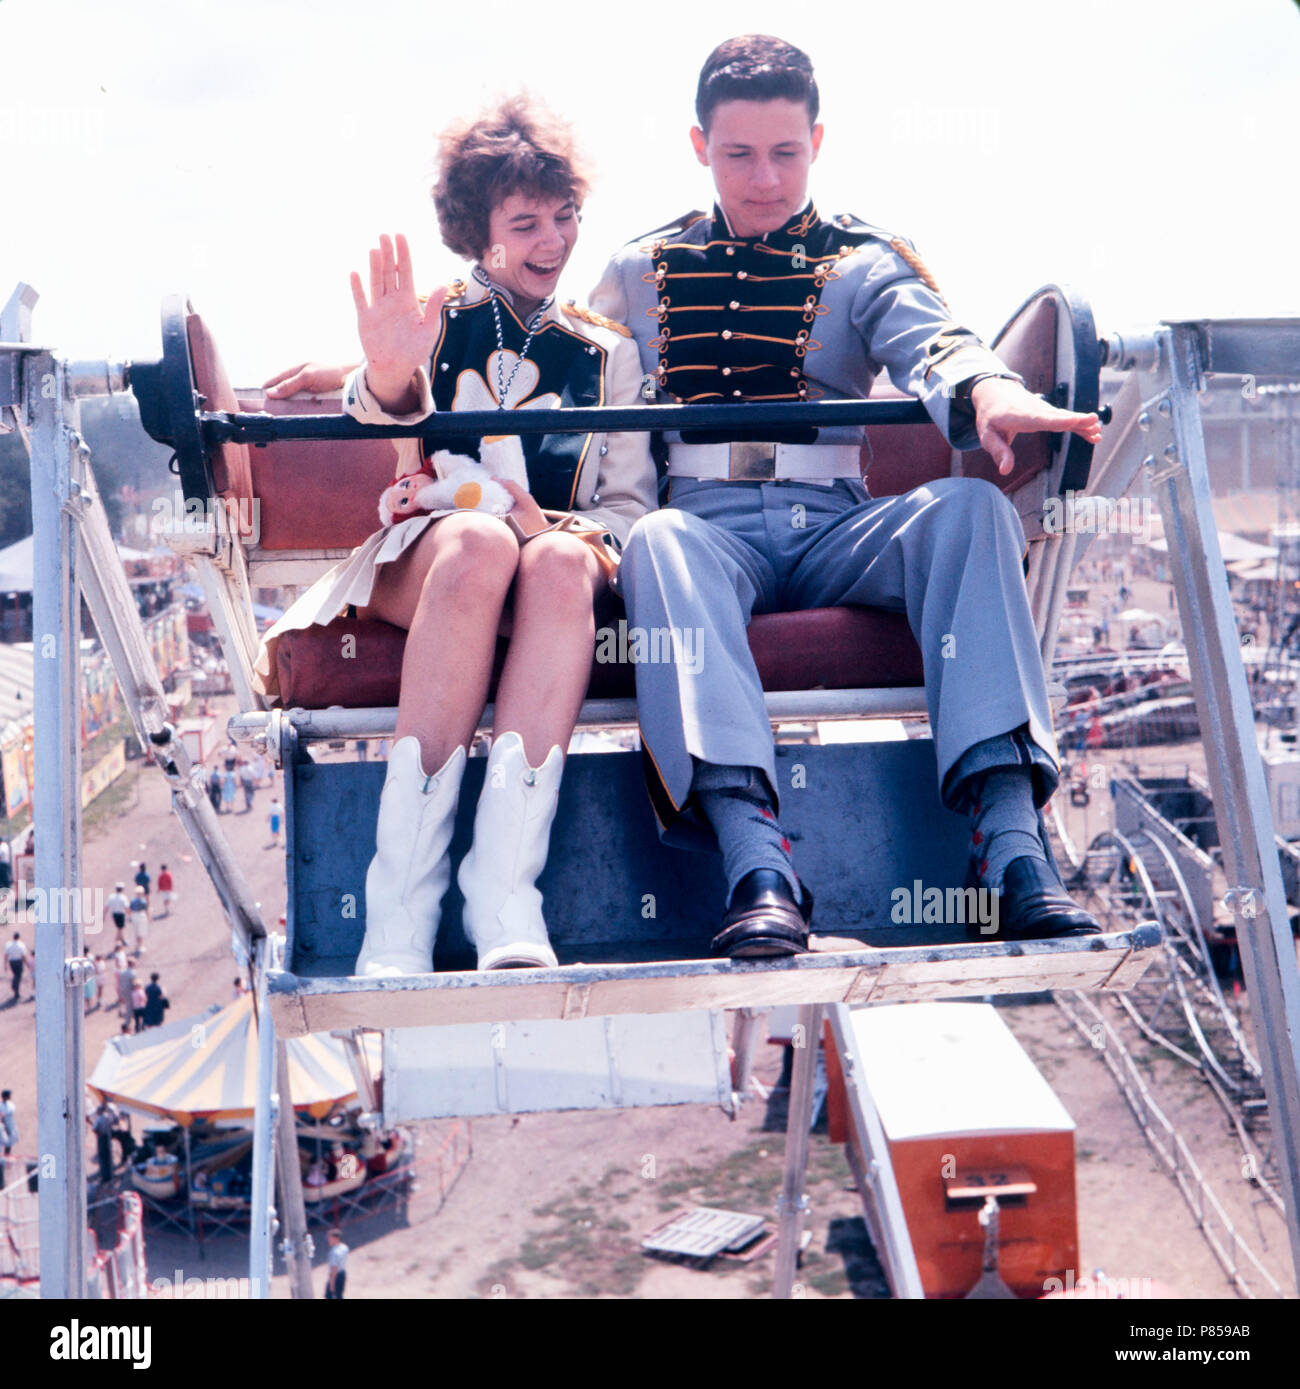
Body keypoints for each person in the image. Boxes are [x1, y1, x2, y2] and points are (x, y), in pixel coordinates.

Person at [590, 35, 1105, 956]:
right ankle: (759, 868)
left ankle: (1014, 850)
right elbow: (557, 360)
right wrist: (382, 371)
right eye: (740, 154)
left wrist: (986, 389)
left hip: (834, 528)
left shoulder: (863, 259)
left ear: (818, 142)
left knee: (973, 510)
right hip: (702, 531)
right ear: (698, 146)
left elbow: (934, 338)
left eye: (786, 153)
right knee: (657, 541)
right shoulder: (635, 271)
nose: (765, 180)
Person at [258, 96, 657, 975]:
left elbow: (627, 513)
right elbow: (385, 401)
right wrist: (390, 369)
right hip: (433, 560)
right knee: (478, 544)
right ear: (477, 236)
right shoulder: (429, 320)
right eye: (525, 224)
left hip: (550, 573)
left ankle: (503, 892)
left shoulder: (610, 354)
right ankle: (399, 910)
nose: (552, 241)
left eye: (566, 217)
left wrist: (541, 520)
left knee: (551, 557)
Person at [91, 1100, 118, 1185]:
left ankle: (104, 1176)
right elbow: (114, 1122)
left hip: (102, 1137)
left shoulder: (99, 1118)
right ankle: (110, 1175)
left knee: (102, 1157)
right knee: (108, 1157)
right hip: (108, 1136)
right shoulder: (107, 1117)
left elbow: (95, 1129)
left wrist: (99, 1134)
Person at [4, 932, 29, 1001]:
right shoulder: (21, 945)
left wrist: (5, 965)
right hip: (18, 961)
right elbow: (23, 956)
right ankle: (16, 990)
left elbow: (6, 955)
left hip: (12, 962)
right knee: (18, 976)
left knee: (16, 975)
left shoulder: (9, 944)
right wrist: (27, 963)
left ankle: (15, 988)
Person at [325, 1227, 349, 1300]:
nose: (328, 1240)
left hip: (336, 1277)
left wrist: (332, 1285)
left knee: (329, 1296)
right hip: (343, 1274)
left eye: (330, 1238)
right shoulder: (344, 1247)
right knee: (339, 1295)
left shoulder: (334, 1252)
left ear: (335, 1238)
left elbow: (334, 1269)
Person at [128, 889, 149, 955]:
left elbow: (129, 910)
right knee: (141, 932)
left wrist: (130, 917)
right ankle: (140, 946)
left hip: (134, 915)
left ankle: (137, 945)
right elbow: (146, 910)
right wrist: (149, 918)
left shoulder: (133, 901)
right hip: (141, 916)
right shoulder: (143, 901)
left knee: (136, 931)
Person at [0, 1091, 16, 1157]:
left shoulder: (10, 1105)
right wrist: (5, 1127)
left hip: (10, 1124)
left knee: (10, 1141)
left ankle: (7, 1155)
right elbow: (2, 1117)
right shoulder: (1, 1106)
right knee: (3, 1140)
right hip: (3, 1125)